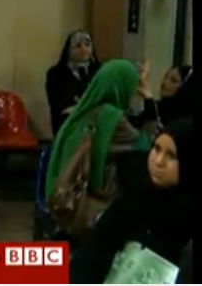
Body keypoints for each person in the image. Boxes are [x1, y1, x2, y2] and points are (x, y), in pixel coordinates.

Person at [70, 119, 192, 284]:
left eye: (171, 156)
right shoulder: (134, 196)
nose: (158, 161)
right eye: (156, 149)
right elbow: (93, 253)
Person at [45, 60, 160, 210]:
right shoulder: (111, 117)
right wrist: (149, 97)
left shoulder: (81, 110)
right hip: (89, 201)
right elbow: (146, 144)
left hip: (62, 194)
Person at [46, 30, 102, 136]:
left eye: (87, 45)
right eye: (78, 46)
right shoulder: (56, 74)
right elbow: (60, 104)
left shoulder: (99, 72)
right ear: (68, 50)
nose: (83, 49)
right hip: (69, 121)